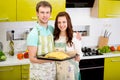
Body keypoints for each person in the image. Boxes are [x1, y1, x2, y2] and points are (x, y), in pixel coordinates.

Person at [27, 1, 56, 80]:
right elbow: (32, 58)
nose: (45, 15)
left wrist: (75, 36)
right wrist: (51, 59)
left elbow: (63, 34)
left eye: (47, 12)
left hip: (51, 73)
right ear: (37, 13)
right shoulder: (33, 34)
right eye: (42, 12)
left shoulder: (51, 29)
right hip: (39, 74)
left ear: (50, 14)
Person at [53, 12, 82, 80]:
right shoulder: (54, 37)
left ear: (68, 22)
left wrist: (78, 57)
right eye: (59, 22)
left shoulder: (74, 37)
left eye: (64, 22)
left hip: (72, 73)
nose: (61, 25)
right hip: (58, 73)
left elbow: (80, 53)